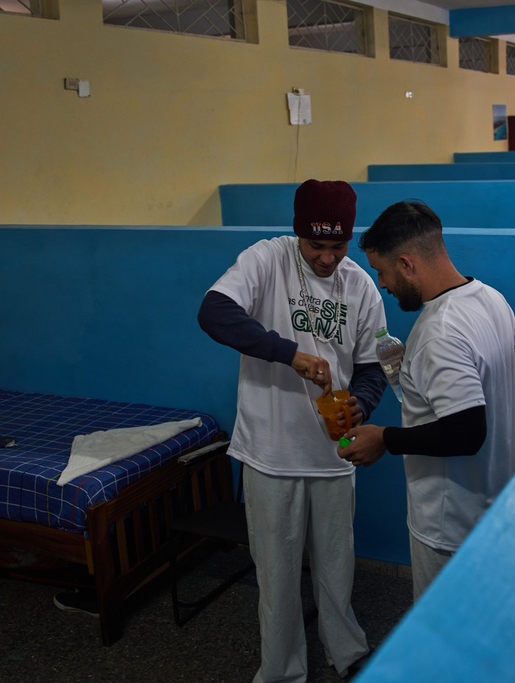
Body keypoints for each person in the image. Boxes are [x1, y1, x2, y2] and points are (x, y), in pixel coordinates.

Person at [198, 179, 387, 683]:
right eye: (316, 246)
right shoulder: (266, 260)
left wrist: (362, 406)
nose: (327, 259)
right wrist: (290, 354)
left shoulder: (360, 285)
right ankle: (281, 670)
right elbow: (213, 312)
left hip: (332, 453)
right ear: (297, 233)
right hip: (271, 450)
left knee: (336, 567)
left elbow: (371, 366)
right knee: (277, 574)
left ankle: (346, 652)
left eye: (338, 246)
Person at [336, 200, 515, 600]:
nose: (383, 284)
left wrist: (384, 439)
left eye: (383, 271)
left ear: (407, 264)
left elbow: (466, 433)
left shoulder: (438, 330)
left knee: (443, 642)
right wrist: (432, 373)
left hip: (450, 524)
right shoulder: (489, 297)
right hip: (496, 505)